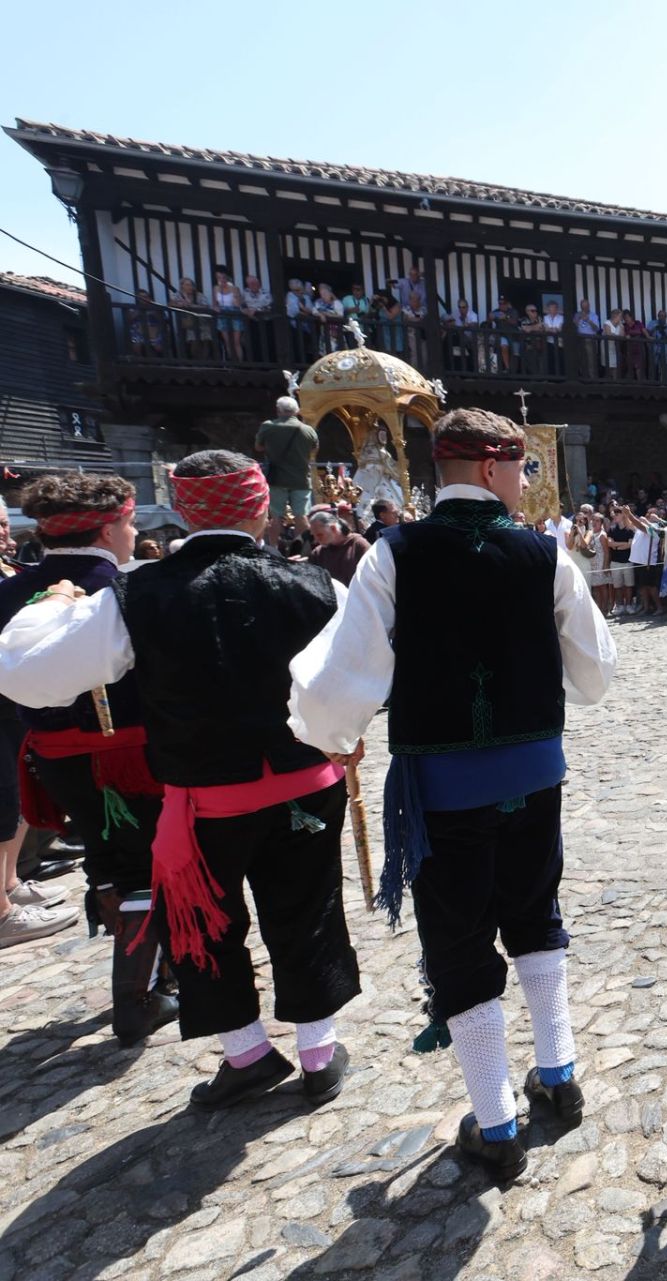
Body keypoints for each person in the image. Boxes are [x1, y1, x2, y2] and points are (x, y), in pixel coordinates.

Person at [288, 409, 616, 1180]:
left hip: (443, 785)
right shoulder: (545, 554)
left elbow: (345, 673)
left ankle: (497, 1122)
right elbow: (597, 672)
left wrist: (332, 733)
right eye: (521, 468)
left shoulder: (392, 554)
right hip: (536, 774)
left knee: (460, 937)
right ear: (495, 468)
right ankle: (558, 1074)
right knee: (536, 912)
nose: (526, 482)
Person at [0, 450, 359, 1109]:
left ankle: (248, 1052)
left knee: (205, 923)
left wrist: (51, 600)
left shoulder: (139, 594)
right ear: (258, 508)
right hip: (305, 784)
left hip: (203, 801)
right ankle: (317, 1052)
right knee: (307, 912)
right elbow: (362, 679)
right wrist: (332, 739)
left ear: (183, 508)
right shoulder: (315, 584)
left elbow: (23, 668)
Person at [0, 477, 161, 998]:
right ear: (111, 528)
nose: (133, 533)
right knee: (150, 860)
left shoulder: (9, 590)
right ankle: (145, 987)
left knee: (104, 852)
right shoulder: (133, 590)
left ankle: (139, 974)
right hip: (133, 757)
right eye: (131, 523)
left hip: (53, 759)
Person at [256, 397, 317, 548]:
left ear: (278, 410)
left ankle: (274, 548)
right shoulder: (308, 430)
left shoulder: (268, 427)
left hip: (276, 479)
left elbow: (258, 447)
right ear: (297, 411)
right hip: (301, 480)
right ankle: (300, 550)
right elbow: (314, 450)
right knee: (301, 516)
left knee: (275, 517)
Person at [304, 509, 370, 585]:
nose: (316, 540)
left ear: (333, 528)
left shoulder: (358, 545)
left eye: (319, 535)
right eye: (314, 535)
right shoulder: (317, 553)